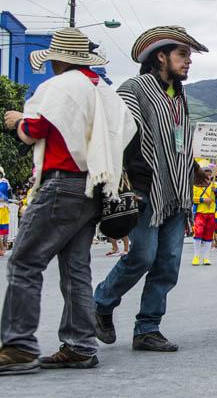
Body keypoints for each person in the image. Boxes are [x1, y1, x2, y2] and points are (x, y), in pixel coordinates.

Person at [1, 28, 136, 373]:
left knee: (24, 261)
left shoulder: (61, 87)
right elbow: (127, 129)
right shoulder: (102, 90)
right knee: (75, 268)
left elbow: (36, 130)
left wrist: (17, 120)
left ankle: (19, 346)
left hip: (62, 182)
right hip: (93, 184)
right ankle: (79, 344)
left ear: (57, 60)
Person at [94, 26, 208, 353]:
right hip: (143, 189)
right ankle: (101, 302)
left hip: (175, 192)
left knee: (167, 264)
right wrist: (124, 177)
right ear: (161, 56)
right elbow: (117, 130)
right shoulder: (136, 88)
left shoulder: (179, 95)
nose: (188, 62)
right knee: (141, 256)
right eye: (182, 54)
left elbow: (178, 142)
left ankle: (147, 328)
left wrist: (193, 169)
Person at [191, 166, 217, 266]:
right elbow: (191, 198)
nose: (208, 176)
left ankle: (206, 258)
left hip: (211, 214)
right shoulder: (195, 185)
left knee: (209, 236)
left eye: (209, 175)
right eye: (206, 174)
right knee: (198, 234)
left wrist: (216, 191)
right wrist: (202, 200)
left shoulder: (214, 186)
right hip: (200, 213)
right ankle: (196, 256)